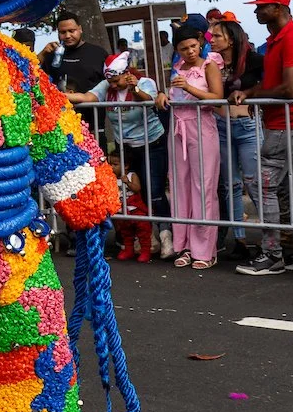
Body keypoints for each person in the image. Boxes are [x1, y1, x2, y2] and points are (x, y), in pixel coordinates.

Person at [235, 0, 293, 276]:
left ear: (279, 9)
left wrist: (253, 92)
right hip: (289, 122)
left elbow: (290, 88)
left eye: (262, 6)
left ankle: (272, 256)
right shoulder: (278, 39)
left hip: (289, 123)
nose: (256, 11)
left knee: (262, 185)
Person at [69, 51, 173, 259]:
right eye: (111, 82)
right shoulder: (107, 86)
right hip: (125, 147)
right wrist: (57, 96)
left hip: (151, 143)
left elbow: (150, 101)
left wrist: (134, 88)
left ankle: (167, 237)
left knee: (153, 191)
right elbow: (86, 97)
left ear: (126, 73)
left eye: (117, 81)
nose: (114, 86)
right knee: (131, 192)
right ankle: (143, 239)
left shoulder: (144, 82)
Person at [157, 26, 223, 270]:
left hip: (202, 128)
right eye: (184, 48)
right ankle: (183, 245)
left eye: (193, 46)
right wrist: (163, 95)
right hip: (178, 130)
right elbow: (175, 96)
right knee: (179, 186)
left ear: (199, 43)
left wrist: (189, 88)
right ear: (177, 50)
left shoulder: (210, 66)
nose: (190, 51)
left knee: (203, 187)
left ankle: (205, 248)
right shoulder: (176, 69)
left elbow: (217, 97)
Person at [209, 21, 264, 259]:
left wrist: (249, 94)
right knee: (230, 184)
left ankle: (271, 240)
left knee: (254, 183)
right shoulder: (212, 62)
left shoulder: (253, 59)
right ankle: (239, 240)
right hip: (221, 126)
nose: (211, 40)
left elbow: (267, 84)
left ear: (230, 39)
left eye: (217, 36)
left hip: (247, 126)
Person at [39, 11, 107, 97]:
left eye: (71, 31)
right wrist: (42, 54)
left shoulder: (98, 53)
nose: (67, 36)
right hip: (59, 108)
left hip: (92, 109)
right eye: (63, 32)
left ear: (80, 29)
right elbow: (30, 74)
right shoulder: (51, 54)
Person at [106, 149, 151, 263]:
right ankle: (128, 250)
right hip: (122, 210)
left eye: (115, 164)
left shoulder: (131, 175)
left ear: (125, 166)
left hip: (136, 210)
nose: (112, 167)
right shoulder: (111, 179)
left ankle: (145, 251)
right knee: (126, 232)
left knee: (143, 232)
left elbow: (137, 188)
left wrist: (127, 182)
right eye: (110, 164)